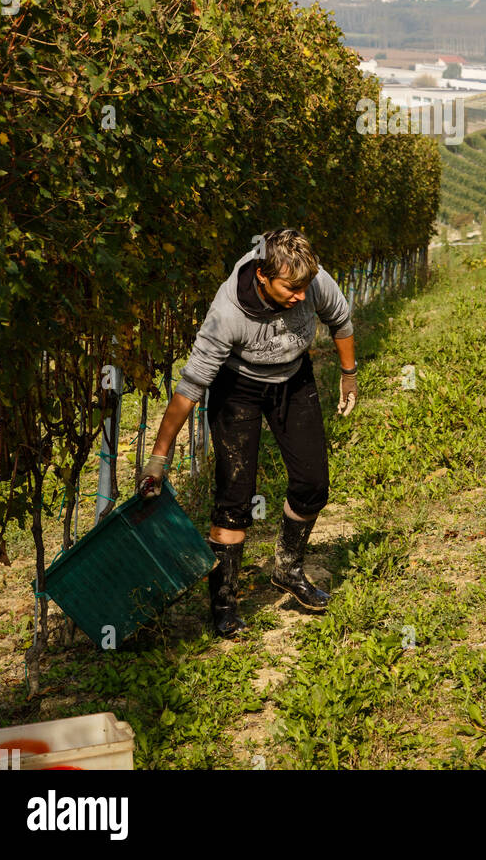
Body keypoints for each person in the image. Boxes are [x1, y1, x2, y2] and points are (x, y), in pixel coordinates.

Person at [138, 229, 357, 637]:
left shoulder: (313, 280)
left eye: (306, 286)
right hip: (237, 388)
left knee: (313, 485)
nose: (302, 296)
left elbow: (340, 321)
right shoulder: (228, 314)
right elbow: (188, 390)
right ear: (262, 275)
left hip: (293, 380)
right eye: (292, 289)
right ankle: (224, 605)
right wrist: (158, 458)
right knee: (235, 497)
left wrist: (349, 376)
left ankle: (288, 571)